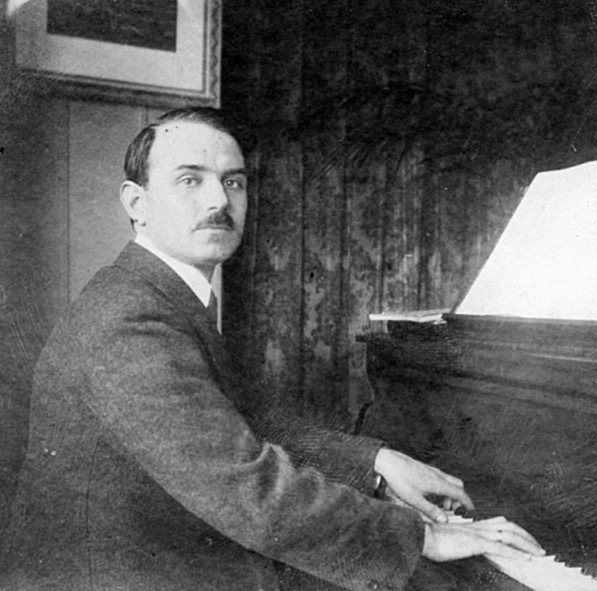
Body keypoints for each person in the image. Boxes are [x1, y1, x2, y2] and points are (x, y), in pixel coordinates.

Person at [0, 107, 544, 591]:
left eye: (233, 182)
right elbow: (248, 491)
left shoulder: (158, 294)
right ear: (136, 203)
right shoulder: (129, 317)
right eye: (190, 179)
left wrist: (377, 463)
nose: (219, 200)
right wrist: (424, 536)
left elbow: (249, 421)